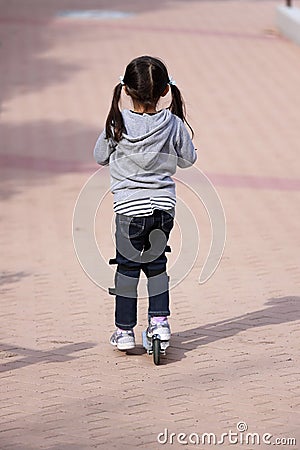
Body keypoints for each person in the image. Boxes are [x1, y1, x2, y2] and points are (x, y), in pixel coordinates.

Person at [94, 55, 197, 351]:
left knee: (126, 268)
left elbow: (100, 155)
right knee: (157, 265)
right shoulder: (173, 123)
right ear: (166, 91)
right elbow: (189, 159)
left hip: (129, 210)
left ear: (126, 89)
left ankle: (124, 331)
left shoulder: (117, 122)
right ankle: (160, 325)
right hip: (163, 208)